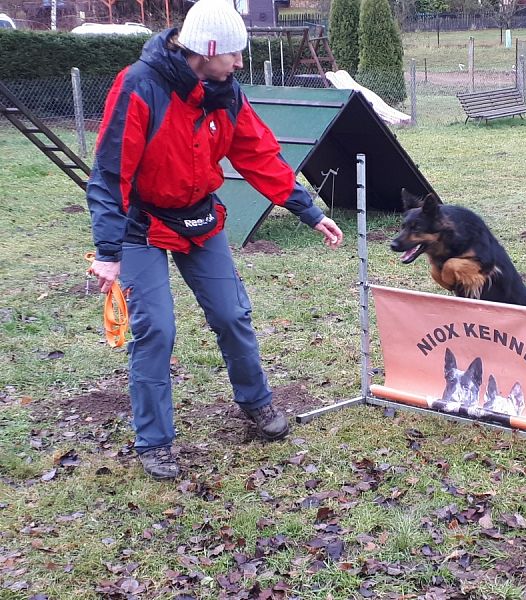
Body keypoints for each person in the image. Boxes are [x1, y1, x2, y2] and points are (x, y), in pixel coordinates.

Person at [86, 0, 344, 480]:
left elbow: (258, 153)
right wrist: (107, 252)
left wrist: (307, 210)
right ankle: (155, 441)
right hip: (142, 225)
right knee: (156, 329)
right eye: (233, 54)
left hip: (200, 219)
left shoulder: (226, 92)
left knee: (232, 313)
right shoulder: (139, 86)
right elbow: (109, 171)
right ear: (205, 51)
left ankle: (257, 403)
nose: (240, 62)